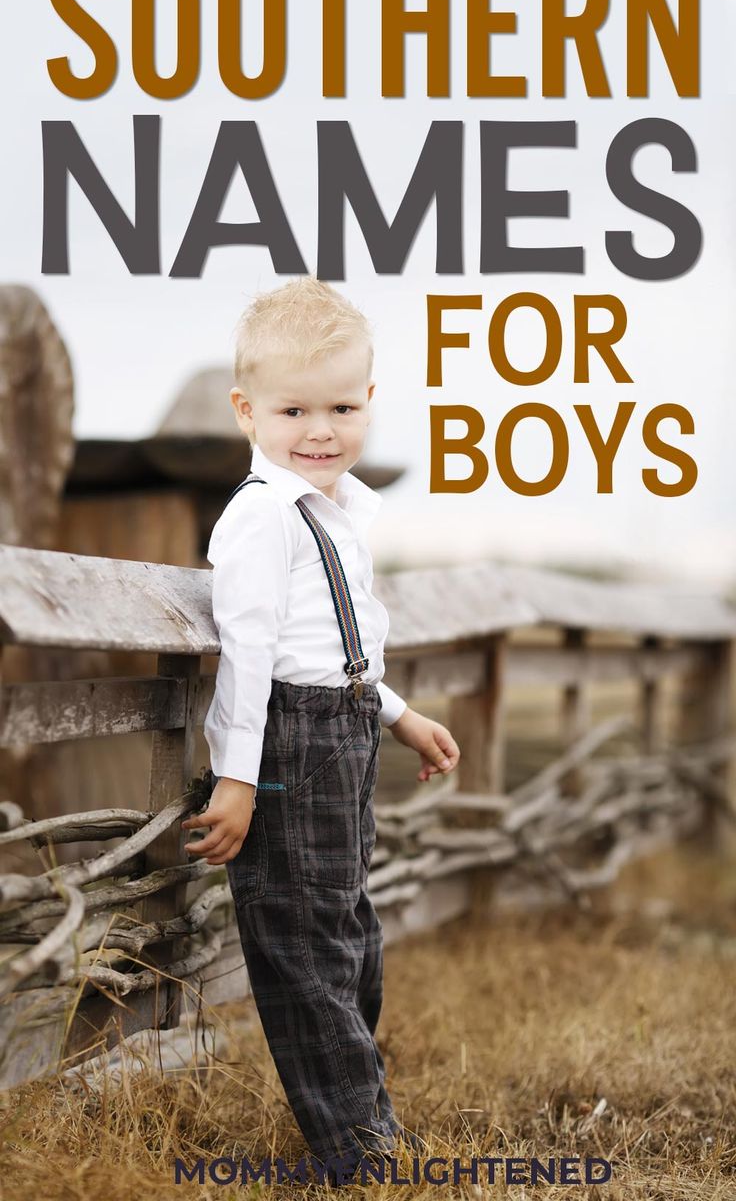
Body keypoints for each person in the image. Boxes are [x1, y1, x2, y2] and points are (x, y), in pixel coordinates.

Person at [181, 277, 460, 1186]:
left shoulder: (336, 516)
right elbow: (254, 654)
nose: (320, 428)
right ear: (246, 410)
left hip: (342, 732)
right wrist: (237, 776)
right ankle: (362, 1152)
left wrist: (399, 711)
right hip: (286, 747)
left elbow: (340, 651)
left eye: (342, 405)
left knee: (347, 932)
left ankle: (357, 1102)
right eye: (294, 408)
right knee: (304, 944)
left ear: (369, 402)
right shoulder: (262, 516)